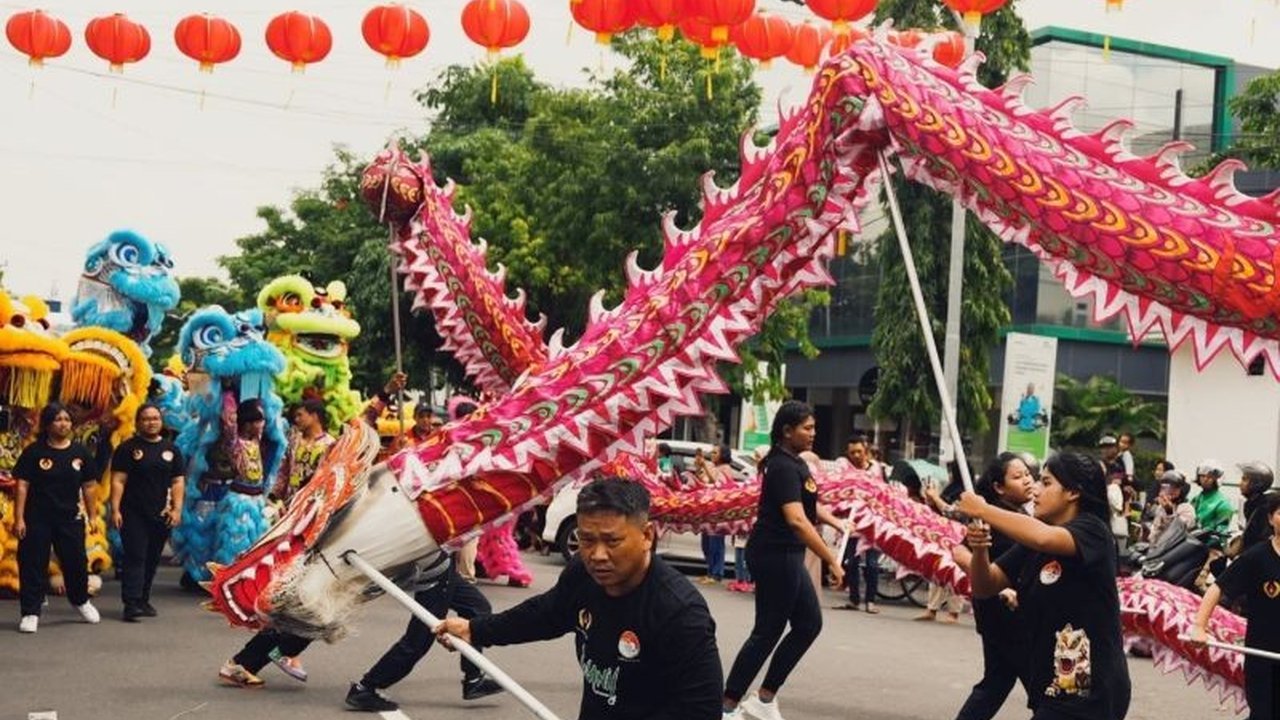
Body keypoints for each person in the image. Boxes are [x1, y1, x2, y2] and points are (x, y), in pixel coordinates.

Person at [434, 479, 723, 720]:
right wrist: (475, 629)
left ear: (647, 536)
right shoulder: (583, 575)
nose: (597, 555)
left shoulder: (680, 613)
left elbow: (702, 711)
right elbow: (544, 614)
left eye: (612, 541)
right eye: (586, 540)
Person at [957, 452, 1131, 720]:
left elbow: (1045, 538)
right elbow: (986, 585)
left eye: (1046, 483)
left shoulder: (1092, 531)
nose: (1035, 489)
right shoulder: (1033, 542)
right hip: (1051, 673)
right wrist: (979, 551)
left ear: (1073, 492)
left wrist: (983, 509)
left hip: (1086, 676)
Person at [722, 400, 845, 720]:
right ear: (787, 431)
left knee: (808, 624)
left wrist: (836, 522)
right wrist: (830, 558)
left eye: (814, 427)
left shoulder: (793, 463)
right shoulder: (781, 466)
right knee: (767, 630)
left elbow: (806, 507)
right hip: (775, 553)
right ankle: (727, 706)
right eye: (807, 428)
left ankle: (763, 699)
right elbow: (796, 519)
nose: (813, 433)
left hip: (787, 553)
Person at [345, 554, 503, 712]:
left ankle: (473, 679)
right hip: (433, 570)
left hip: (444, 565)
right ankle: (365, 688)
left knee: (478, 608)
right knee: (419, 639)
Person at [949, 453, 1035, 720]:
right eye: (1018, 477)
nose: (1028, 481)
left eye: (1029, 475)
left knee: (997, 681)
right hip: (1004, 613)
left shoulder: (1019, 514)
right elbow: (959, 552)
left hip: (1006, 614)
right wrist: (999, 587)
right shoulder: (993, 518)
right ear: (999, 487)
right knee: (1041, 686)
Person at [1190, 491, 1280, 720]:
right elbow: (1217, 589)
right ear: (1271, 519)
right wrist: (1199, 626)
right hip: (1262, 655)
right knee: (1263, 713)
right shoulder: (1256, 557)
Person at [14, 402, 103, 633]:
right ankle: (31, 612)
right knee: (33, 564)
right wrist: (20, 518)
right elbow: (22, 486)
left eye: (67, 419)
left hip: (69, 518)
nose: (63, 424)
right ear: (48, 424)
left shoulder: (80, 453)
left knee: (76, 562)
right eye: (58, 419)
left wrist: (93, 516)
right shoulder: (34, 452)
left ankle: (81, 600)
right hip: (37, 518)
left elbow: (90, 486)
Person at [109, 403, 185, 622]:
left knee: (152, 557)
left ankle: (143, 598)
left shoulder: (171, 449)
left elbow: (178, 480)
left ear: (161, 422)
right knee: (136, 556)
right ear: (137, 422)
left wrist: (177, 509)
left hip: (160, 512)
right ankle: (130, 603)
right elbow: (118, 481)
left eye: (155, 418)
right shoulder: (127, 448)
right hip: (132, 512)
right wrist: (115, 509)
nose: (151, 422)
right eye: (146, 419)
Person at [836, 434, 882, 613]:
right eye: (852, 452)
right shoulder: (844, 470)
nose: (856, 455)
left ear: (866, 452)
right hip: (851, 525)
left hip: (870, 524)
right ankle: (854, 599)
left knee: (871, 564)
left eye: (859, 452)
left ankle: (870, 601)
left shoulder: (876, 470)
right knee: (851, 563)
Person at [268, 398, 335, 505]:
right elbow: (284, 469)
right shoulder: (294, 439)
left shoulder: (330, 444)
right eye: (295, 416)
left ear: (314, 416)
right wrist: (274, 496)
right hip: (290, 503)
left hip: (314, 503)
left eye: (300, 415)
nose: (296, 419)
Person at [697, 445, 731, 585]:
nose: (712, 454)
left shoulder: (726, 468)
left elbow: (715, 482)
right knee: (706, 544)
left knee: (716, 543)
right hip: (707, 509)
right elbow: (703, 481)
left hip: (718, 511)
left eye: (715, 452)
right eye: (711, 452)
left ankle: (716, 573)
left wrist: (705, 466)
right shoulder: (711, 466)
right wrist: (700, 467)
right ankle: (710, 571)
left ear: (723, 455)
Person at [1237, 461, 1277, 554]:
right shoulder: (1250, 503)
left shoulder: (1264, 506)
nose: (1240, 484)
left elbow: (1261, 537)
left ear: (1256, 483)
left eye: (1244, 479)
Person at [1190, 459, 1235, 541]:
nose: (1205, 479)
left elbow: (1221, 533)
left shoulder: (1223, 503)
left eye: (1210, 477)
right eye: (1202, 476)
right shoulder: (1195, 499)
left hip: (1209, 546)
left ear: (1217, 479)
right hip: (1191, 542)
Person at [1148, 471, 1196, 545]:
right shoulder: (1161, 507)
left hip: (1175, 550)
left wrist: (1169, 512)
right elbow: (1155, 531)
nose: (1170, 490)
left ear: (1182, 489)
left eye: (1175, 487)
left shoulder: (1186, 508)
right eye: (1166, 487)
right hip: (1158, 549)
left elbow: (1178, 530)